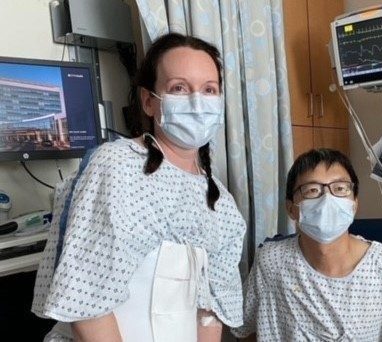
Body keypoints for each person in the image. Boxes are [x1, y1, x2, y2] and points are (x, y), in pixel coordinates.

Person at [32, 33, 246, 342]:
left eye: (209, 90)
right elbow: (87, 305)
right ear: (148, 101)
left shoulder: (221, 203)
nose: (197, 102)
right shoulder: (117, 166)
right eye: (179, 88)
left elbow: (210, 312)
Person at [231, 148, 382, 341]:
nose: (327, 199)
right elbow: (248, 329)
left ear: (354, 203)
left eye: (340, 188)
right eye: (312, 190)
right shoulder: (271, 262)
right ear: (291, 208)